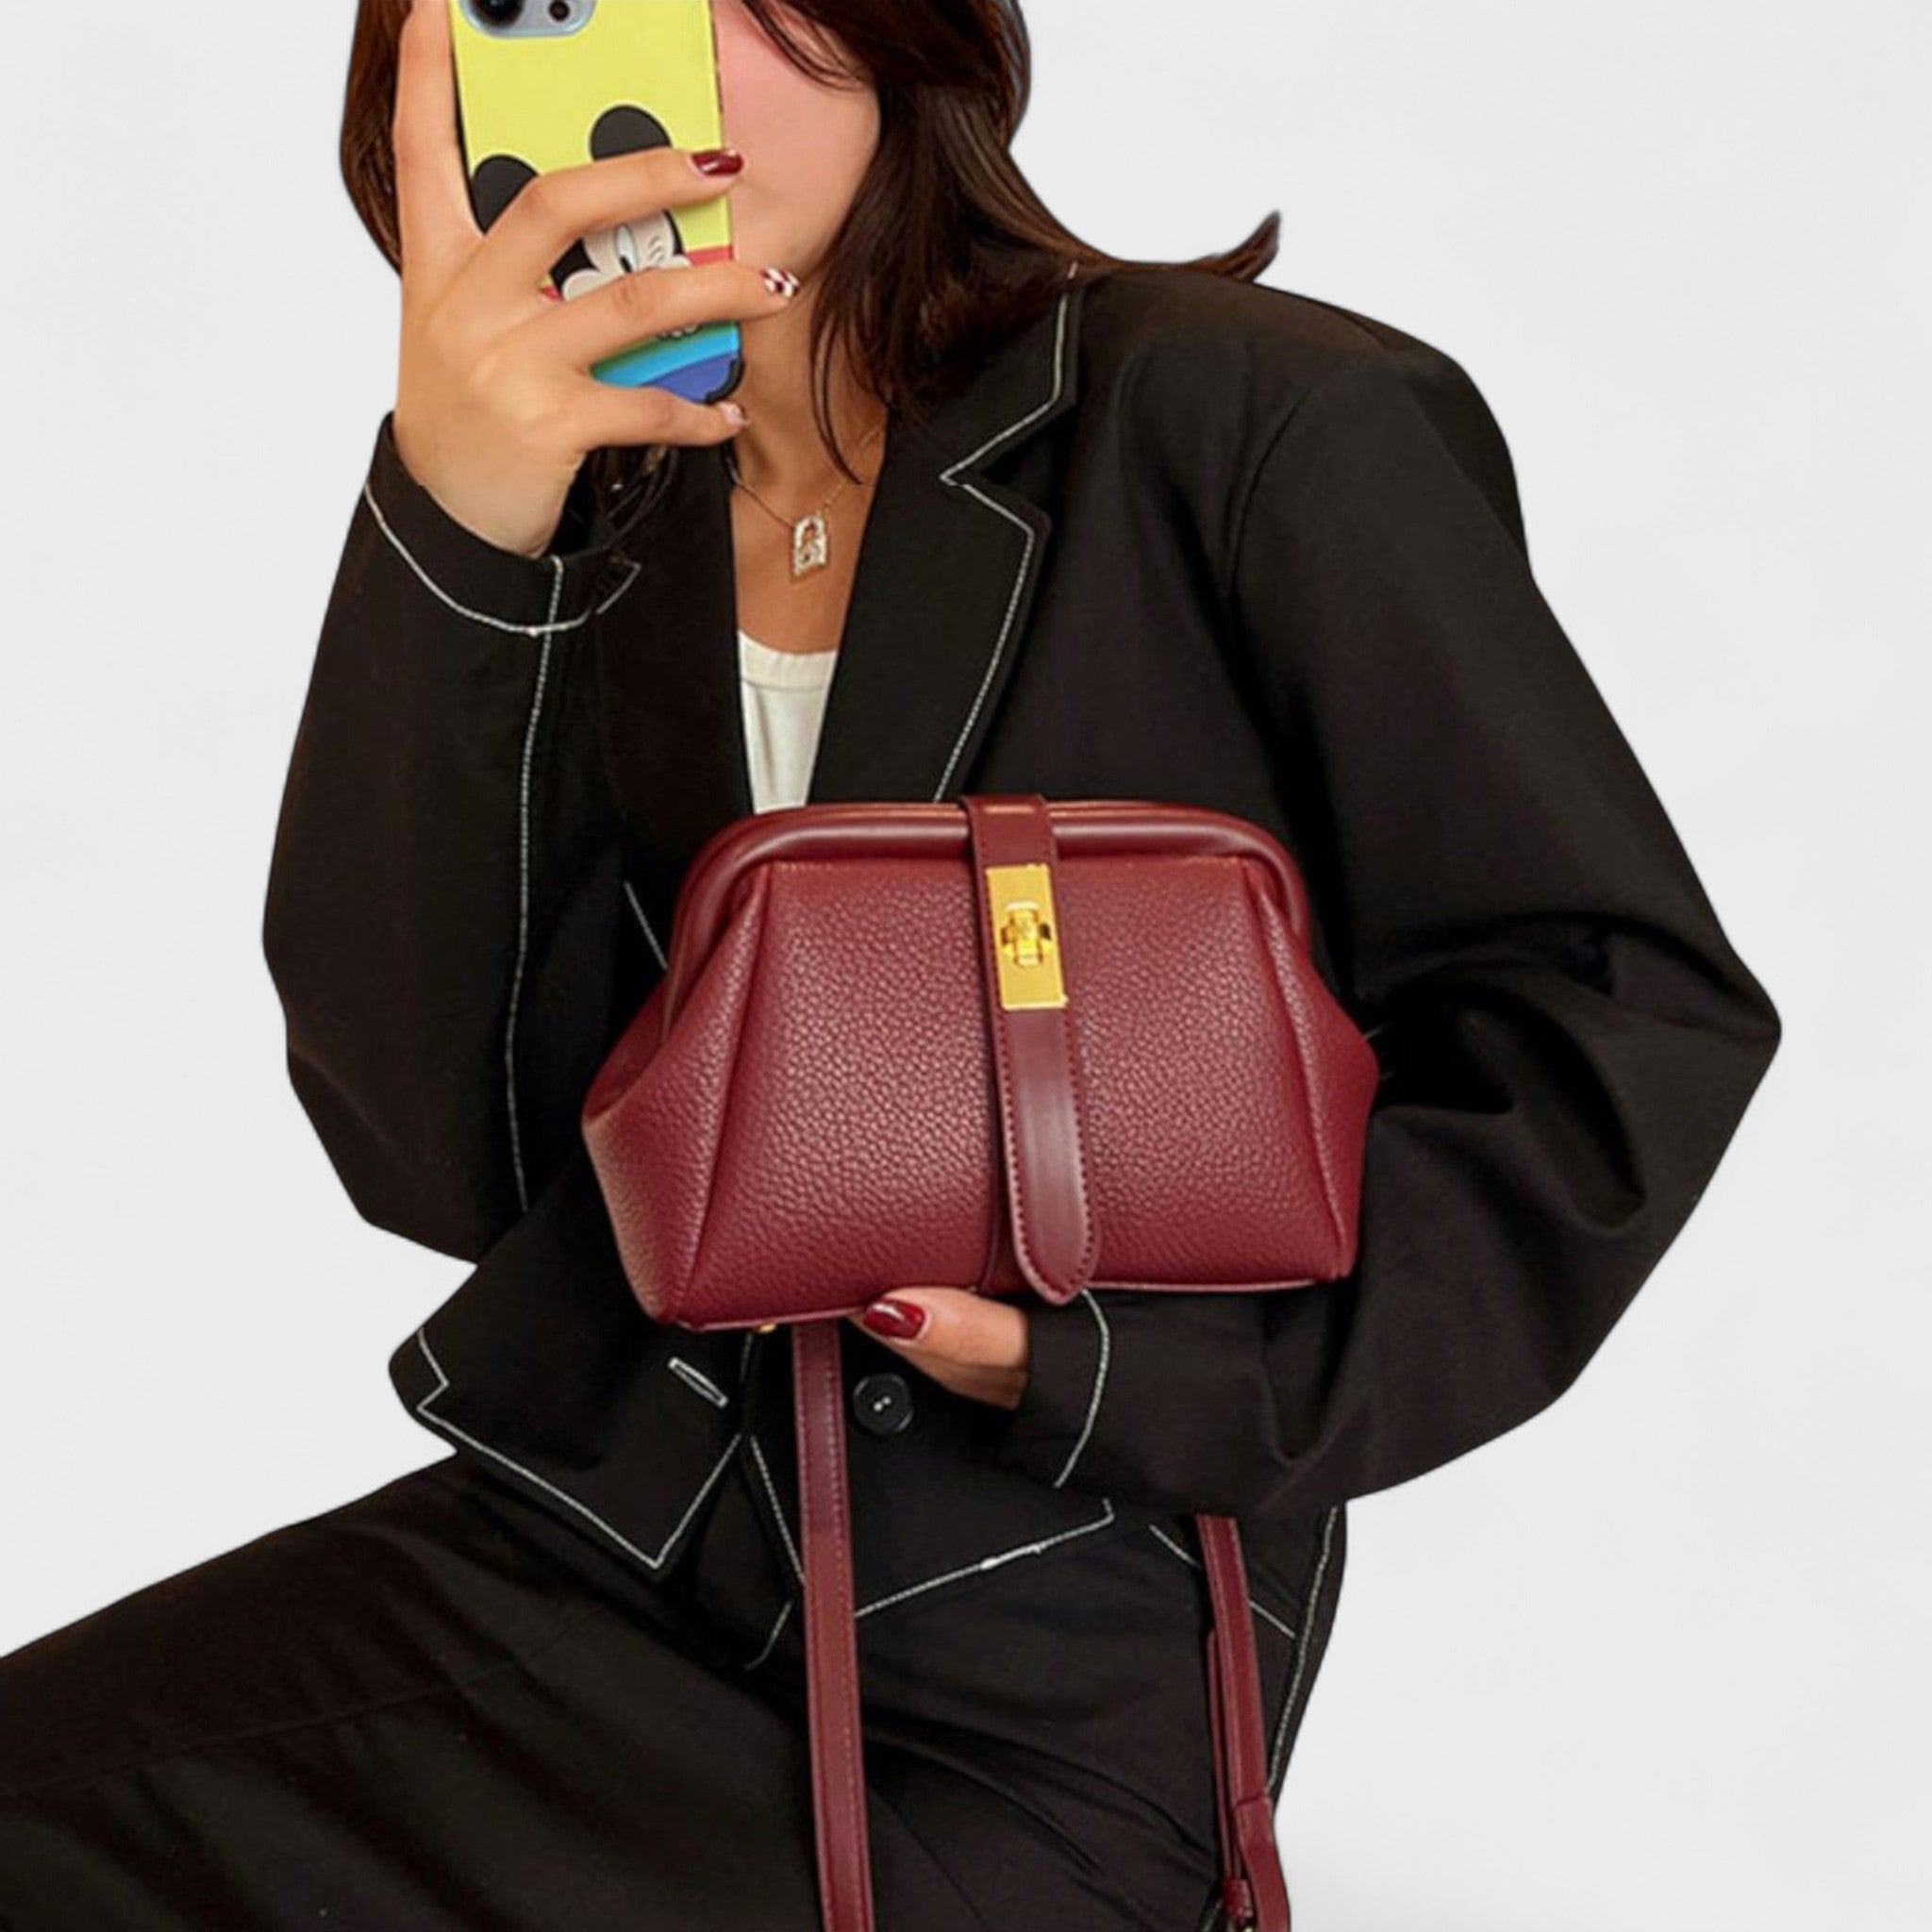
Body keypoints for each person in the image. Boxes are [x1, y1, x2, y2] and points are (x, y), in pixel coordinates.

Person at [0, 0, 1782, 1926]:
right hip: (608, 1547)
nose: (662, 87)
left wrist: (1119, 1371)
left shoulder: (1254, 419)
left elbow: (1615, 1021)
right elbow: (439, 1155)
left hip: (1045, 1662)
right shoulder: (596, 512)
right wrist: (459, 537)